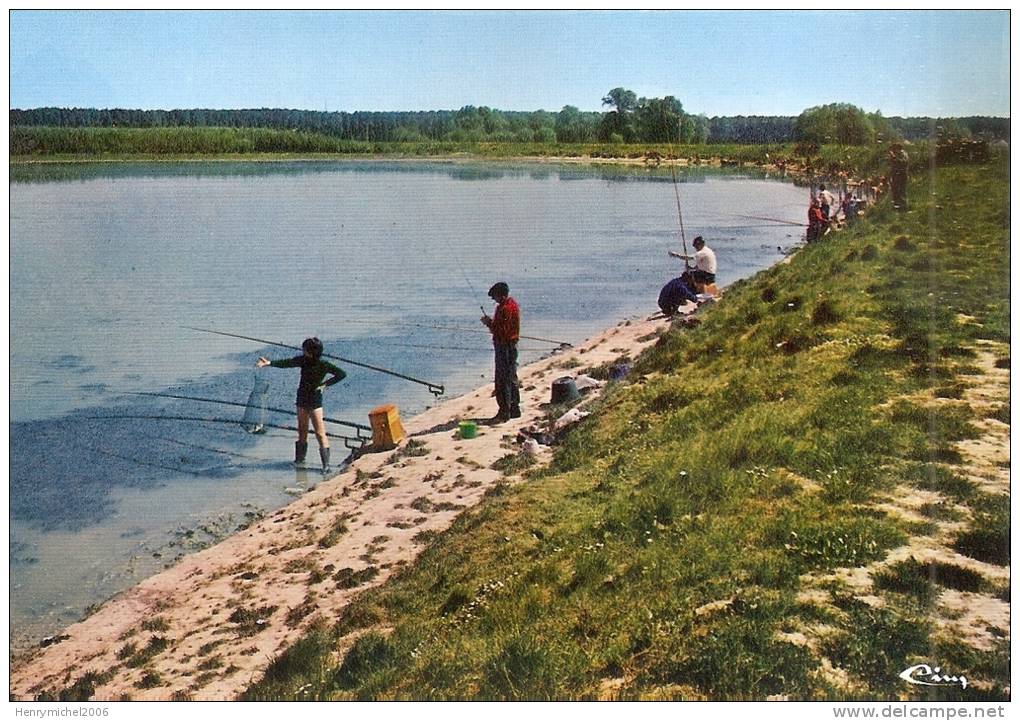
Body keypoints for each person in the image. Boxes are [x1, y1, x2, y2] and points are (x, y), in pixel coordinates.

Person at [256, 337, 345, 472]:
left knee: (320, 433)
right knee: (302, 431)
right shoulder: (303, 360)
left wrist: (325, 385)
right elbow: (287, 363)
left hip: (315, 401)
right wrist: (269, 363)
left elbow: (341, 374)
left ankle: (326, 466)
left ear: (310, 352)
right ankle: (299, 462)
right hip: (302, 399)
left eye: (304, 349)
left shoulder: (324, 364)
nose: (302, 351)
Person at [480, 282, 521, 423]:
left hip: (504, 347)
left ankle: (504, 412)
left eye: (495, 297)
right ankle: (514, 409)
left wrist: (488, 323)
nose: (494, 300)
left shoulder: (504, 309)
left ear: (502, 295)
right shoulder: (512, 304)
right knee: (511, 377)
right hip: (511, 346)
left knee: (502, 380)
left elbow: (500, 331)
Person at [889, 143, 908, 211]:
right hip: (896, 175)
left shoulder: (903, 154)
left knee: (901, 190)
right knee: (895, 190)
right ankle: (896, 205)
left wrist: (894, 158)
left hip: (901, 175)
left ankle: (903, 206)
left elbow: (903, 162)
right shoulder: (898, 155)